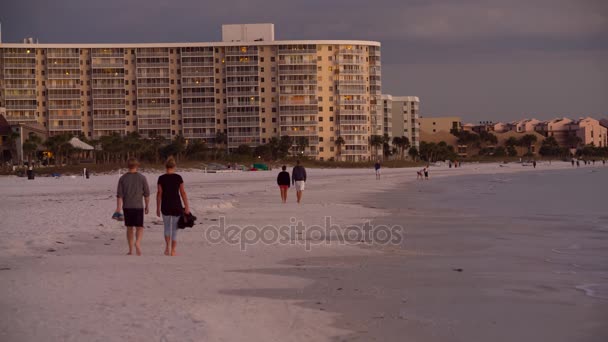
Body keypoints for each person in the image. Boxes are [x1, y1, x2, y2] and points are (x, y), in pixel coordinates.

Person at [156, 156, 190, 256]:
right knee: (175, 229)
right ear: (174, 166)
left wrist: (158, 208)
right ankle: (173, 250)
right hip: (176, 205)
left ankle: (167, 248)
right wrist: (187, 206)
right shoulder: (178, 177)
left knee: (166, 228)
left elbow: (159, 193)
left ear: (165, 166)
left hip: (165, 205)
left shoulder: (161, 178)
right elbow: (183, 192)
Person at [116, 158, 150, 256]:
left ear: (128, 166)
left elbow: (119, 195)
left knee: (129, 228)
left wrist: (118, 208)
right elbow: (146, 194)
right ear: (137, 166)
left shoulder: (122, 178)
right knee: (139, 227)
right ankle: (138, 243)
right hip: (138, 206)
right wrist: (147, 206)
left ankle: (131, 250)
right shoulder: (142, 178)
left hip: (127, 207)